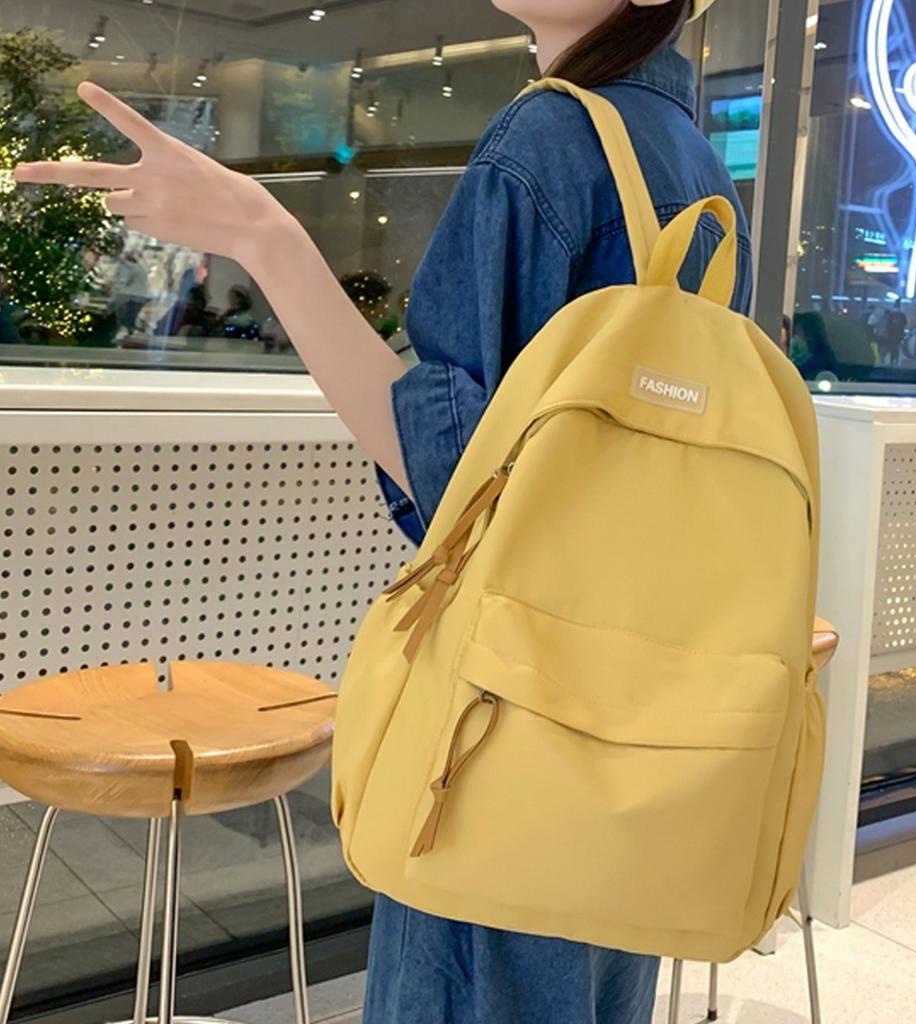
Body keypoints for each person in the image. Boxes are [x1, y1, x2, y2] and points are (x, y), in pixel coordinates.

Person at [13, 2, 741, 1020]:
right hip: (639, 704)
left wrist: (264, 235)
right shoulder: (691, 159)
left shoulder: (552, 135)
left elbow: (456, 482)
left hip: (510, 714)